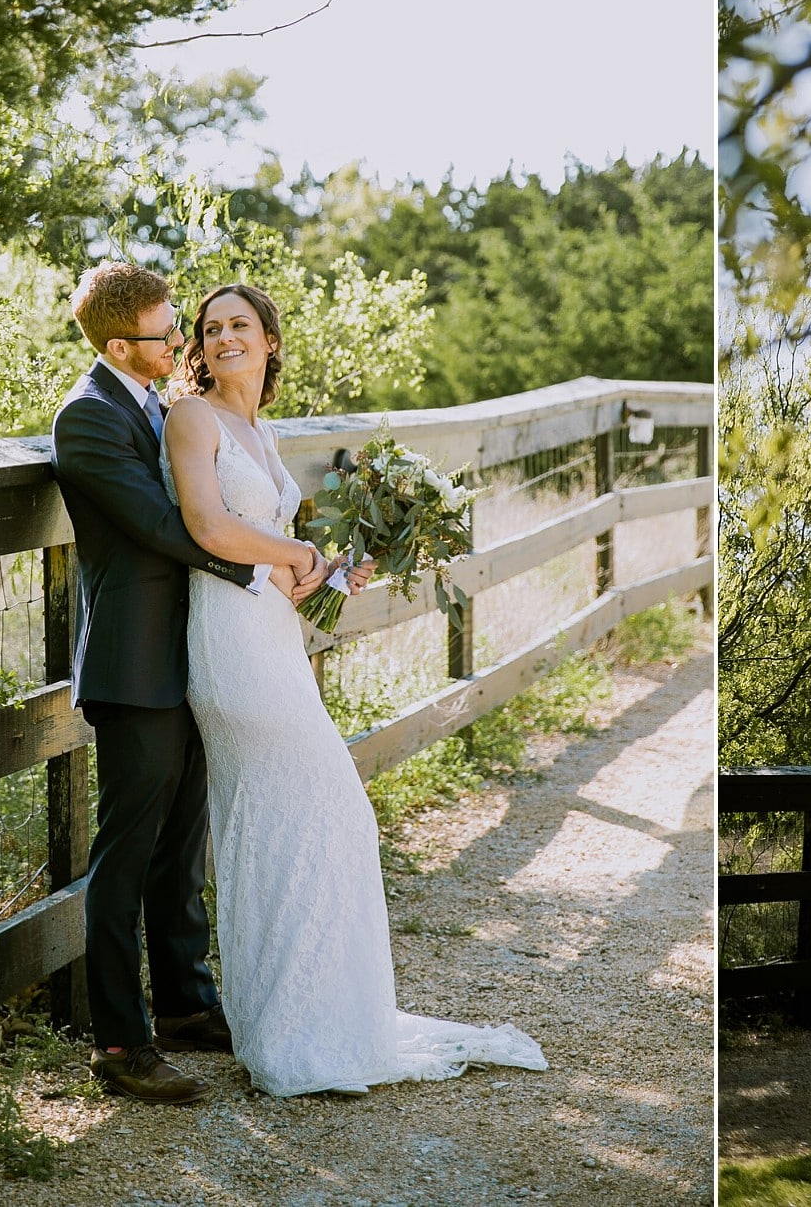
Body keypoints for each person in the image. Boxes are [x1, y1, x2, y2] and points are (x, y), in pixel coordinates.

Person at [159, 281, 546, 1096]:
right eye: (210, 327)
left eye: (240, 324)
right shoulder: (192, 417)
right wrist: (298, 556)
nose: (224, 336)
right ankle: (292, 1030)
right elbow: (206, 525)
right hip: (229, 643)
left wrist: (331, 570)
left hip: (272, 633)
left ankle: (298, 1017)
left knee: (299, 816)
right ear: (200, 345)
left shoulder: (260, 430)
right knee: (319, 807)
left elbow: (276, 563)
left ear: (269, 341)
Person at [51, 263, 331, 1105]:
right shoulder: (89, 418)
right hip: (135, 664)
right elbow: (163, 525)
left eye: (180, 327)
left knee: (182, 846)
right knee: (126, 854)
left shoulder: (158, 405)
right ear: (116, 345)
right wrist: (266, 569)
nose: (182, 344)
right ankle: (120, 1040)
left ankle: (184, 1006)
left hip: (196, 652)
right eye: (167, 334)